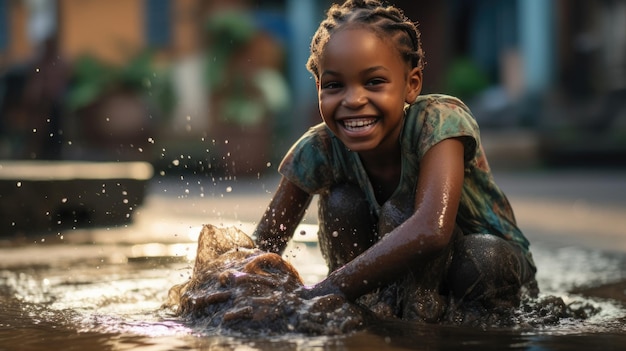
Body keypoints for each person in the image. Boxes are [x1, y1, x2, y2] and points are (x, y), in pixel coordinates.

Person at [253, 0, 538, 322]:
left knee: (408, 214)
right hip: (379, 274)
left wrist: (321, 293)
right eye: (334, 85)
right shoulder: (318, 147)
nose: (353, 99)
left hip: (481, 264)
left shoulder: (439, 122)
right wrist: (231, 293)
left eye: (374, 82)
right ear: (319, 88)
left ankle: (423, 309)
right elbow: (261, 249)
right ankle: (367, 305)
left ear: (411, 84)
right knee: (341, 201)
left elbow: (432, 229)